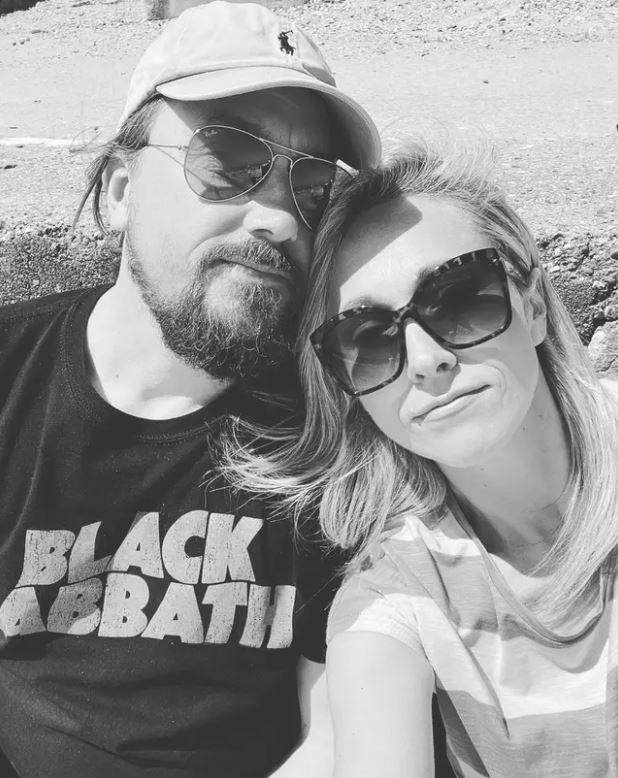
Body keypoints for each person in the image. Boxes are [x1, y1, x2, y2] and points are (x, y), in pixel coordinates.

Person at [0, 3, 381, 776]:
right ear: (119, 190)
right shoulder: (12, 377)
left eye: (313, 187)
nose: (279, 219)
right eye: (229, 159)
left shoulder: (332, 430)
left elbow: (338, 731)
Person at [221, 138, 618, 777]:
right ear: (347, 388)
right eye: (368, 339)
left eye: (460, 299)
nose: (427, 361)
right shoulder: (395, 596)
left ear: (535, 307)